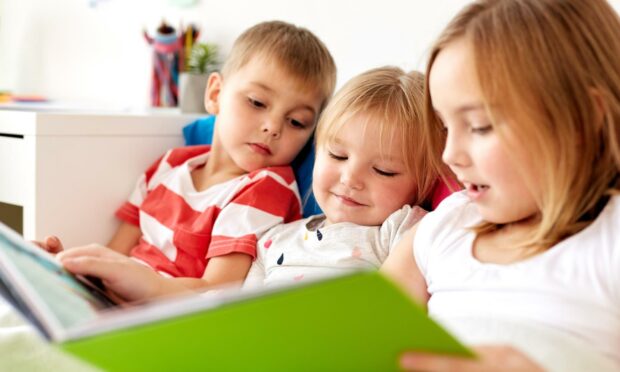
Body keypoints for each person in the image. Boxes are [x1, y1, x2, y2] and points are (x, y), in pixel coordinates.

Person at [381, 0, 620, 370]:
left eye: (479, 126)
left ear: (582, 121)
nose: (449, 154)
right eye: (445, 126)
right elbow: (367, 340)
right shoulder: (444, 229)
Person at [38, 20, 337, 296]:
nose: (272, 127)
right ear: (215, 94)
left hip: (162, 321)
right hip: (109, 302)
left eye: (296, 121)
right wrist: (69, 268)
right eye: (257, 102)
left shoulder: (265, 189)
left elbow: (216, 291)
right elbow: (115, 254)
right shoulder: (171, 164)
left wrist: (146, 285)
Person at [243, 66, 441, 288]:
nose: (350, 179)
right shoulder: (273, 240)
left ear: (424, 183)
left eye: (384, 170)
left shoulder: (402, 231)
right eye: (338, 156)